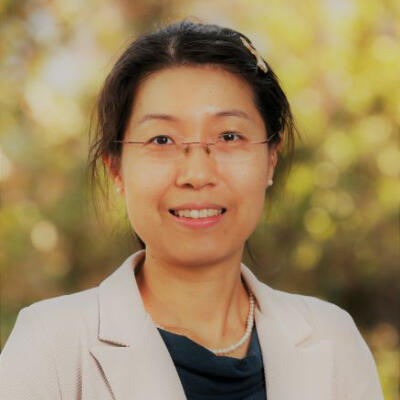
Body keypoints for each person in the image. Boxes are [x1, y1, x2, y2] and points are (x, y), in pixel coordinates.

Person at [0, 18, 384, 400]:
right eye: (162, 140)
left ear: (271, 159)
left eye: (229, 136)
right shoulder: (51, 348)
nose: (197, 174)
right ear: (116, 168)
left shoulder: (334, 340)